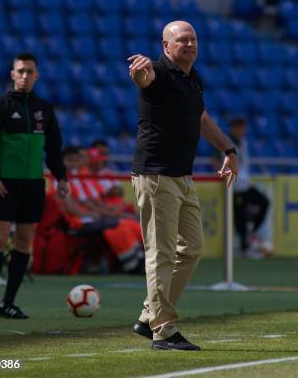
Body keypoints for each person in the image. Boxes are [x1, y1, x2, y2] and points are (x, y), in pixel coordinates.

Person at [128, 20, 238, 351]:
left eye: (193, 39)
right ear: (165, 46)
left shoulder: (193, 79)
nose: (189, 44)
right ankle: (163, 329)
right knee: (160, 253)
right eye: (181, 40)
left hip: (182, 175)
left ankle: (150, 315)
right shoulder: (158, 74)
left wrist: (228, 149)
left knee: (191, 248)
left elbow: (202, 118)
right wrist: (140, 75)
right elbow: (143, 81)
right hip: (156, 175)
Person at [0, 53, 69, 319]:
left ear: (36, 75)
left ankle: (8, 303)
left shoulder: (45, 109)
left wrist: (61, 177)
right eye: (21, 71)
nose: (25, 76)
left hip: (32, 186)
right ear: (12, 74)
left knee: (24, 242)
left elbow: (54, 149)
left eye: (30, 72)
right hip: (4, 185)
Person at [213, 117, 269, 258]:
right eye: (238, 127)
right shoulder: (226, 141)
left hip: (245, 184)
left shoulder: (243, 142)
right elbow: (215, 159)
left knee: (264, 201)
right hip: (234, 186)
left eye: (243, 128)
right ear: (233, 128)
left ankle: (252, 232)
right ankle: (245, 248)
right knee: (240, 217)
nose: (241, 131)